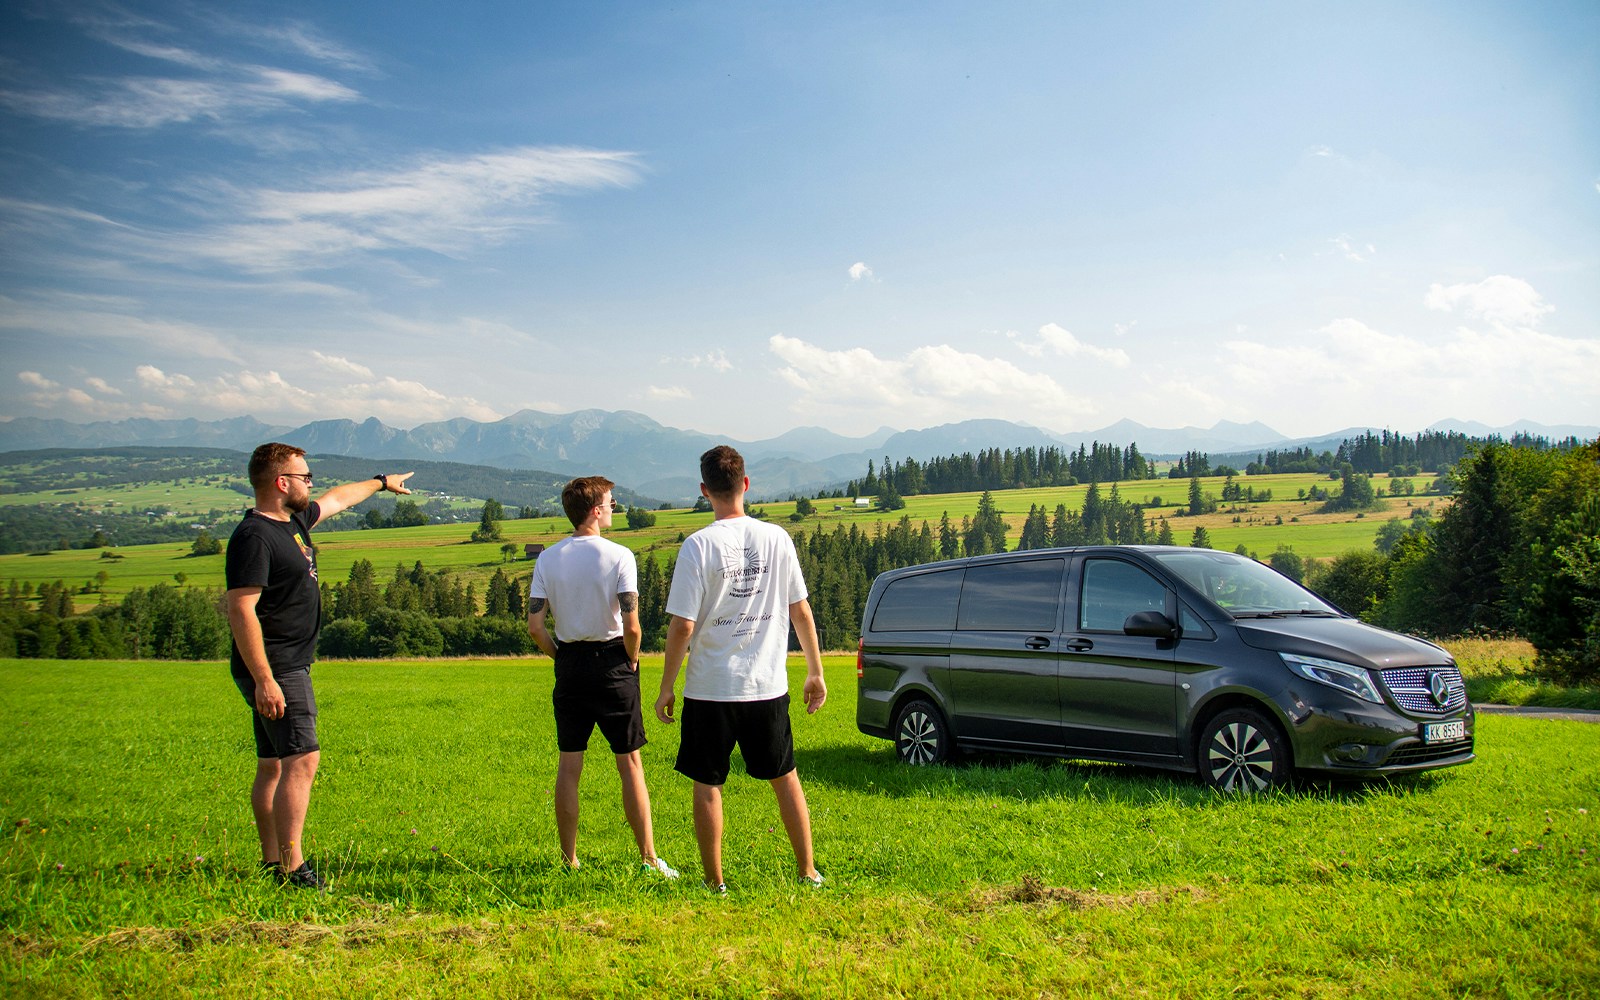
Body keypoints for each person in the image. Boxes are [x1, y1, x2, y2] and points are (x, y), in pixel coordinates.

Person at [226, 443, 413, 891]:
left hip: (284, 665)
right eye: (304, 477)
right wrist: (265, 678)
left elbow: (339, 498)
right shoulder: (254, 537)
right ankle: (294, 870)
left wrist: (381, 482)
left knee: (273, 763)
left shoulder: (291, 522)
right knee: (302, 760)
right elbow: (241, 609)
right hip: (278, 666)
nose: (311, 484)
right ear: (281, 482)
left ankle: (273, 863)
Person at [654, 445, 827, 892]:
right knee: (785, 776)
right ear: (745, 484)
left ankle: (715, 882)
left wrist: (666, 685)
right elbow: (801, 611)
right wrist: (815, 671)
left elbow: (682, 626)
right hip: (766, 684)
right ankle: (807, 872)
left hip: (710, 687)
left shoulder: (697, 546)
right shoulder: (777, 539)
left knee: (707, 782)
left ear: (704, 491)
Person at [527, 476, 677, 878]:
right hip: (613, 661)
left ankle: (568, 859)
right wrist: (630, 660)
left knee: (569, 764)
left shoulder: (547, 558)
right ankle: (648, 860)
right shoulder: (619, 556)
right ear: (595, 510)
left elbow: (535, 627)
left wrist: (561, 657)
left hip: (570, 664)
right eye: (611, 502)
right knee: (630, 762)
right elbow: (632, 626)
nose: (614, 507)